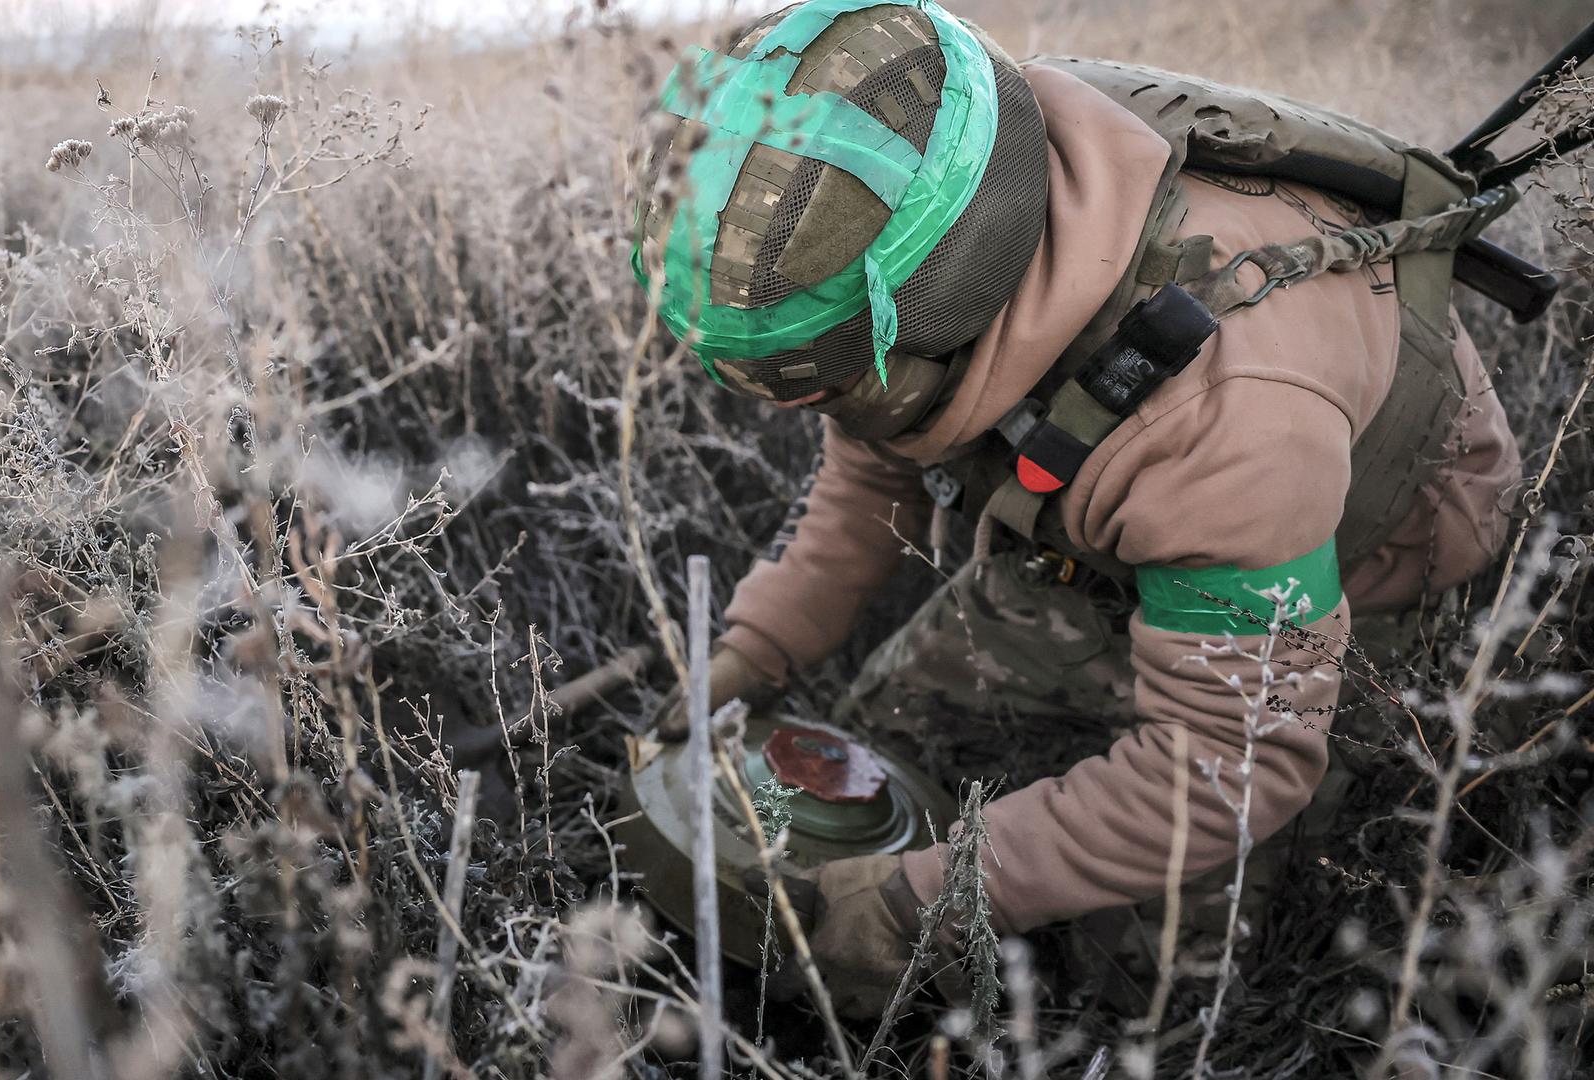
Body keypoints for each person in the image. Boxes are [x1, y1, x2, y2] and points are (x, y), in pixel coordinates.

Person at [630, 0, 1521, 1016]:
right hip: (1136, 515)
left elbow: (1233, 762)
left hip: (1350, 566)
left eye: (827, 383)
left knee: (1141, 991)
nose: (806, 408)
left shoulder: (1227, 417)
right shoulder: (945, 173)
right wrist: (754, 650)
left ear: (946, 310)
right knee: (889, 748)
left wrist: (926, 905)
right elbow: (873, 468)